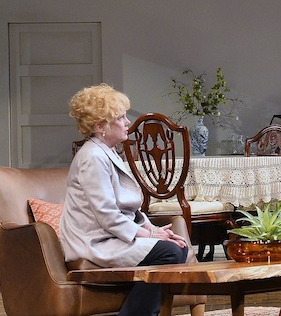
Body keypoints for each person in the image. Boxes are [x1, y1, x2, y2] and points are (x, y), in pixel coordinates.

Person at [62, 84, 190, 316]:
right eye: (120, 118)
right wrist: (149, 235)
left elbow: (130, 210)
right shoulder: (92, 157)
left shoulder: (107, 152)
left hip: (113, 236)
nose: (127, 122)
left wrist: (154, 230)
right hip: (95, 240)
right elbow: (107, 215)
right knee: (170, 253)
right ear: (100, 126)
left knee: (176, 248)